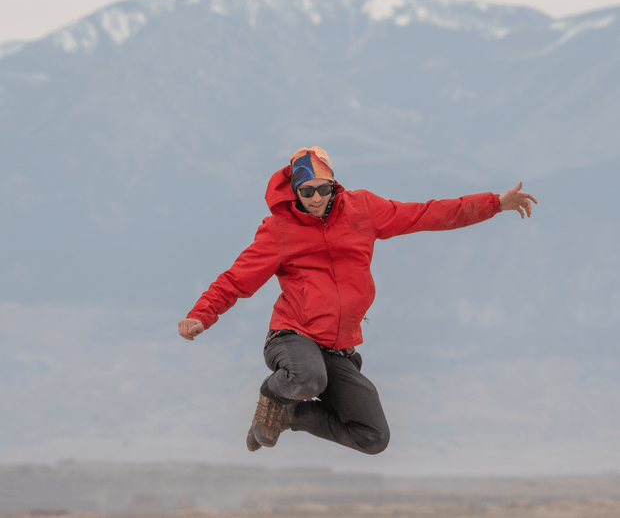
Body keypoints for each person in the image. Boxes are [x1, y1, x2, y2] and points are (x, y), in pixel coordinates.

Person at [178, 146, 537, 455]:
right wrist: (201, 315)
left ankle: (290, 416)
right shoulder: (278, 231)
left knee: (373, 437)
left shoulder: (362, 209)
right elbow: (236, 279)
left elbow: (428, 214)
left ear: (333, 184)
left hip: (337, 348)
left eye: (322, 188)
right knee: (308, 379)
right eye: (306, 192)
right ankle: (272, 396)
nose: (316, 198)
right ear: (294, 193)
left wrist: (495, 204)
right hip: (293, 337)